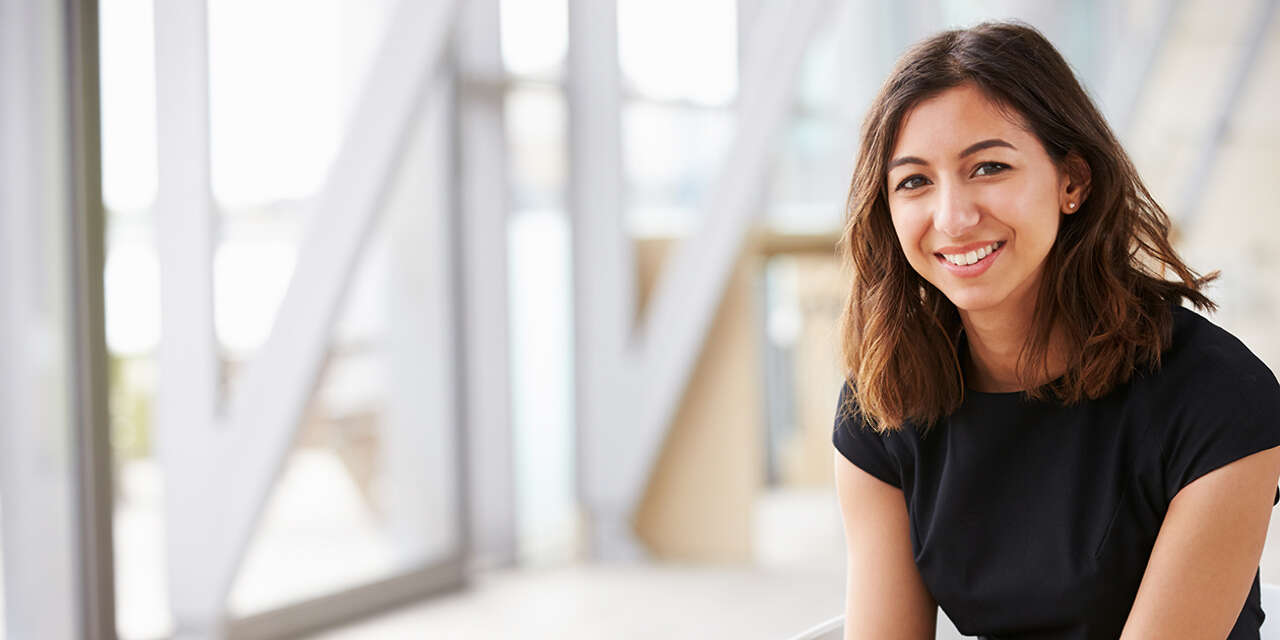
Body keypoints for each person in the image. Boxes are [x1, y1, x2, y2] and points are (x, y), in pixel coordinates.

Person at [831, 21, 1280, 640]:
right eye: (914, 181)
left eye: (988, 167)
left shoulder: (1217, 396)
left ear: (1072, 181)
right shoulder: (884, 399)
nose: (953, 217)